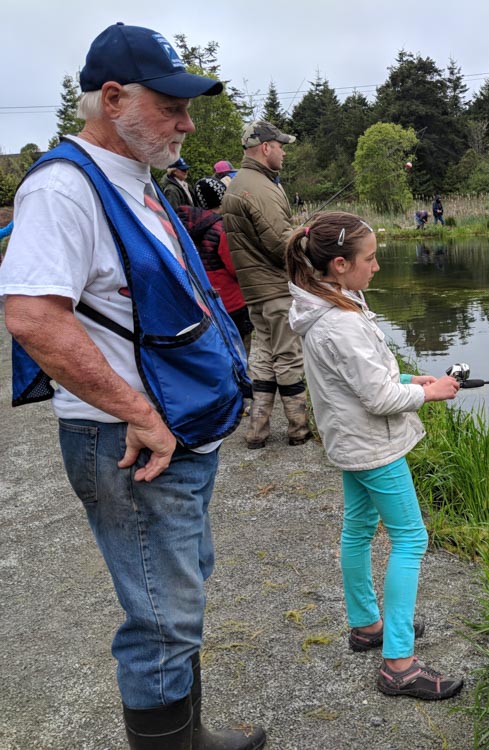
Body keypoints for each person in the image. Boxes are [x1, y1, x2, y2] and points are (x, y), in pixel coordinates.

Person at [0, 22, 264, 750]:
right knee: (161, 615)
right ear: (111, 98)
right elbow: (29, 314)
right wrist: (140, 413)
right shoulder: (63, 187)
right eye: (171, 106)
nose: (186, 123)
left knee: (179, 594)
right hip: (126, 439)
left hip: (174, 435)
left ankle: (191, 735)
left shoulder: (138, 179)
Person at [285, 211, 464, 701]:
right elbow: (378, 400)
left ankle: (367, 625)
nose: (378, 266)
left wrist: (411, 380)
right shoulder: (339, 323)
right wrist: (434, 394)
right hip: (372, 446)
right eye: (371, 258)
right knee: (411, 539)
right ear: (340, 264)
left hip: (351, 441)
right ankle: (399, 664)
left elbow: (366, 380)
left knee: (359, 530)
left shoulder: (331, 304)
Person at [221, 120, 311, 449]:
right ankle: (298, 428)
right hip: (274, 289)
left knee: (262, 354)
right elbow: (281, 244)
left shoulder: (238, 183)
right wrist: (309, 241)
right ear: (266, 148)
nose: (284, 152)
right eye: (281, 146)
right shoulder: (259, 187)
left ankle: (257, 430)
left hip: (253, 290)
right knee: (287, 355)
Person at [179, 177, 254, 358]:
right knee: (241, 350)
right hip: (231, 301)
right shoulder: (221, 228)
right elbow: (235, 268)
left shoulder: (184, 226)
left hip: (201, 300)